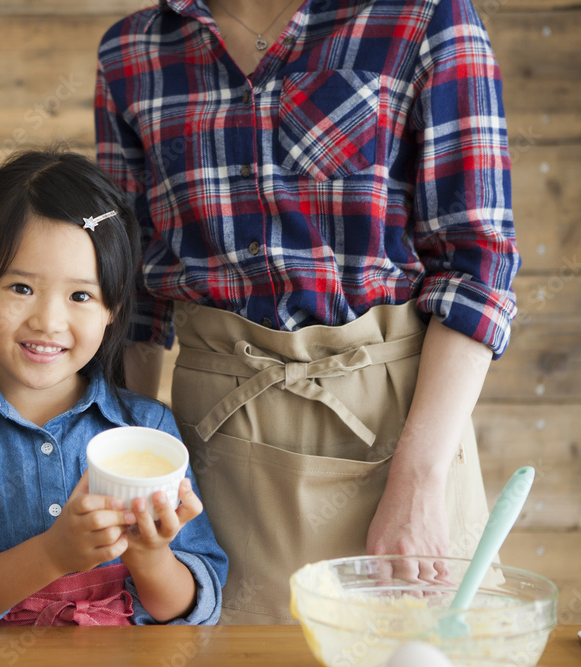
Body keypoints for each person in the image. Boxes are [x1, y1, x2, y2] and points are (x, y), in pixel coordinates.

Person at [95, 0, 519, 624]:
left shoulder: (428, 16)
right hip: (211, 457)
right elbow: (129, 294)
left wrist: (420, 482)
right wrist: (123, 471)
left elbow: (476, 265)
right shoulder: (132, 50)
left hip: (398, 442)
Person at [0, 149, 228, 631]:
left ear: (113, 306)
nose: (48, 321)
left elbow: (196, 605)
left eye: (81, 296)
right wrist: (53, 553)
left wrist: (150, 556)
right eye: (21, 287)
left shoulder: (148, 428)